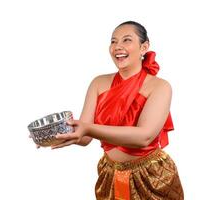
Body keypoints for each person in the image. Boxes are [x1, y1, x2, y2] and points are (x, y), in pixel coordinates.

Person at [51, 21, 184, 199]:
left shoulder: (160, 86)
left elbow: (144, 137)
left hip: (152, 176)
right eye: (113, 41)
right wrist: (57, 133)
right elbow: (84, 137)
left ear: (144, 47)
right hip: (110, 174)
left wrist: (87, 128)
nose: (117, 47)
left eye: (126, 40)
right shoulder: (98, 83)